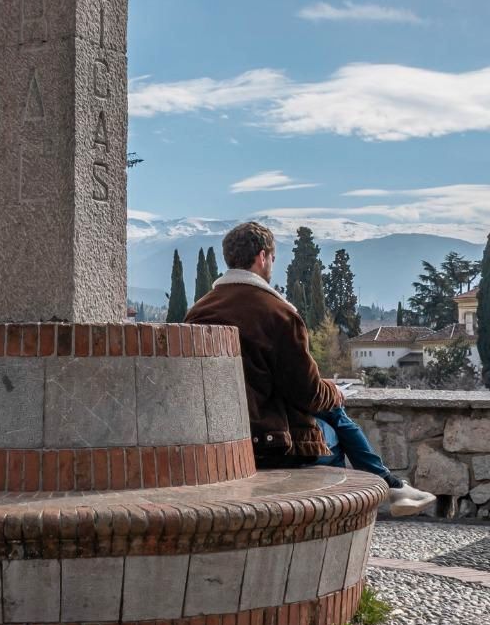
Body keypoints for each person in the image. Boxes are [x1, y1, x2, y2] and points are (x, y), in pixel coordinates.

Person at [187, 221, 436, 517]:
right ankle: (381, 493)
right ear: (263, 257)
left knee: (330, 413)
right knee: (334, 426)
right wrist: (334, 392)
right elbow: (308, 393)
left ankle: (393, 486)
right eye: (273, 259)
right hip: (269, 442)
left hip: (218, 437)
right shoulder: (277, 313)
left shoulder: (199, 311)